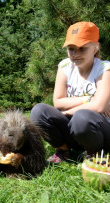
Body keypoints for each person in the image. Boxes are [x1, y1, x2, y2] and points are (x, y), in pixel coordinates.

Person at [30, 21, 110, 164]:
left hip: (101, 133)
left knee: (82, 117)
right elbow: (58, 102)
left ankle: (96, 154)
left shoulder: (104, 68)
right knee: (39, 111)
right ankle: (63, 150)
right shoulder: (65, 66)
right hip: (76, 130)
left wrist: (67, 112)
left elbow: (99, 107)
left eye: (82, 48)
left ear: (95, 47)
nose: (75, 54)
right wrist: (90, 98)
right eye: (71, 48)